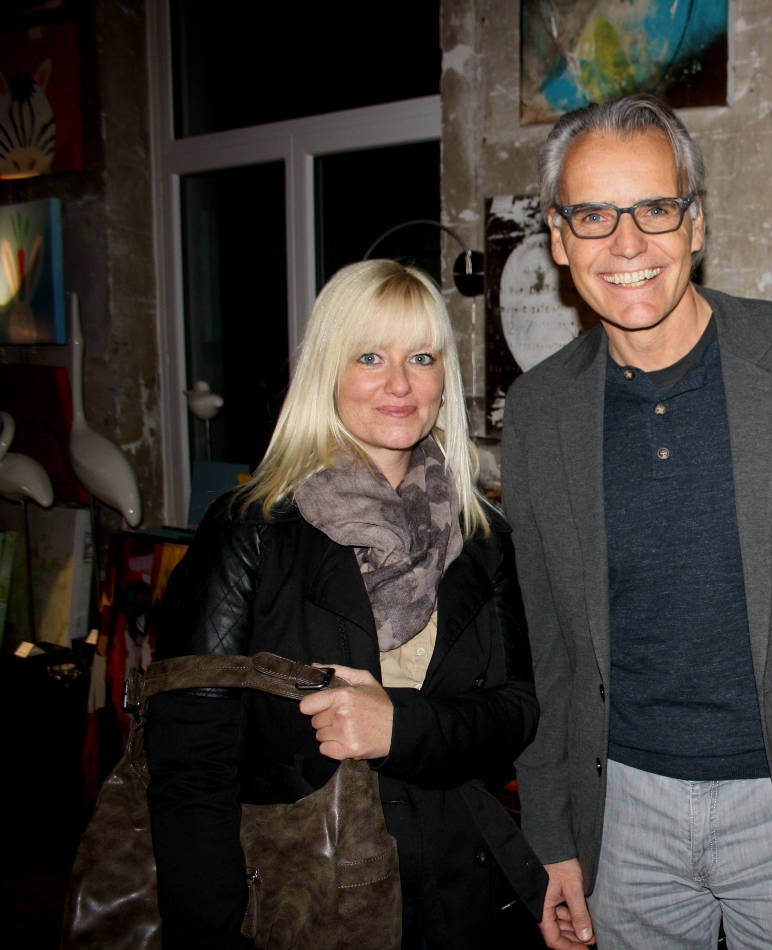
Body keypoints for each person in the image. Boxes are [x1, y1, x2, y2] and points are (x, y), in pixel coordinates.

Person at [501, 93, 772, 950]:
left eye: (654, 208)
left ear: (695, 221)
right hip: (622, 819)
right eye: (593, 215)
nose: (626, 244)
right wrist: (553, 835)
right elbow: (547, 649)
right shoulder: (538, 411)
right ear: (558, 237)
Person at [146, 260, 544, 949]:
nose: (400, 384)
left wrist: (401, 727)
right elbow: (190, 763)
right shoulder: (252, 532)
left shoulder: (481, 536)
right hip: (300, 900)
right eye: (370, 357)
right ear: (326, 371)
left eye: (421, 358)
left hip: (456, 895)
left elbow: (516, 711)